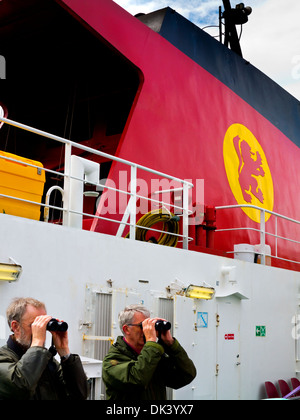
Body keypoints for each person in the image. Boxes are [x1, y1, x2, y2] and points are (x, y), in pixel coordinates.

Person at [102, 304, 197, 400]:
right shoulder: (112, 362)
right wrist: (151, 342)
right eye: (142, 326)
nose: (148, 330)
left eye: (149, 325)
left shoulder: (153, 355)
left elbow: (186, 376)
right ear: (126, 329)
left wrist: (171, 344)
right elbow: (137, 380)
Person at [0, 297, 88, 400]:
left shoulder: (47, 361)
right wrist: (37, 344)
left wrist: (65, 353)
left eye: (43, 326)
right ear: (15, 327)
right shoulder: (3, 358)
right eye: (35, 326)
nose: (41, 332)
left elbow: (80, 395)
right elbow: (20, 389)